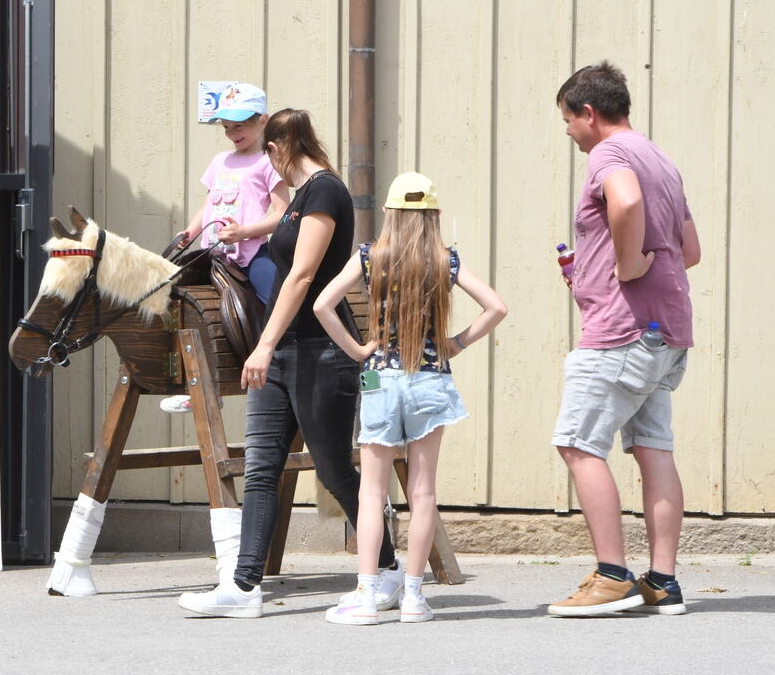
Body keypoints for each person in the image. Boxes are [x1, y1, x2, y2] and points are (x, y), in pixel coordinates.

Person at [177, 108, 399, 618]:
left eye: (267, 154)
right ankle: (243, 587)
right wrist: (268, 346)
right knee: (261, 468)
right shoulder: (297, 199)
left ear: (277, 149)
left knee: (334, 469)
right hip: (279, 351)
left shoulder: (325, 192)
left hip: (319, 352)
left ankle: (386, 568)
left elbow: (302, 275)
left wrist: (263, 345)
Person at [313, 171, 506, 624]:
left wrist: (357, 350)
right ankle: (415, 597)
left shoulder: (369, 257)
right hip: (430, 379)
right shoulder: (445, 260)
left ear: (388, 212)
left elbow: (322, 304)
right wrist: (456, 343)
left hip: (380, 378)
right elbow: (496, 307)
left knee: (371, 491)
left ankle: (366, 594)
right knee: (423, 492)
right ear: (433, 215)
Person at [547, 62, 699, 617]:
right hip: (666, 329)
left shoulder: (609, 154)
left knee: (577, 443)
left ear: (589, 113)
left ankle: (612, 577)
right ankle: (663, 582)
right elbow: (690, 251)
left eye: (568, 119)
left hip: (621, 330)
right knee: (653, 447)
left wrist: (628, 265)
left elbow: (627, 201)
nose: (568, 131)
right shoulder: (661, 159)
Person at [160, 82, 290, 414]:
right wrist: (190, 231)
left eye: (240, 126)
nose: (232, 134)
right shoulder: (221, 161)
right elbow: (209, 203)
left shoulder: (268, 163)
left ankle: (285, 363)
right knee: (178, 304)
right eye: (227, 127)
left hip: (250, 255)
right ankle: (197, 386)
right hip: (213, 255)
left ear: (263, 120)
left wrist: (244, 232)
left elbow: (282, 214)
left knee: (276, 299)